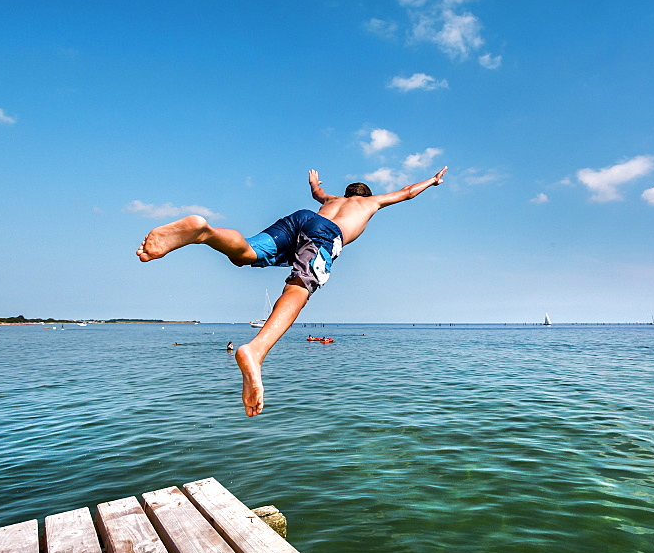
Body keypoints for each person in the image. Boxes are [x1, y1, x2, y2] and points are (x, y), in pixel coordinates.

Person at [137, 166, 447, 417]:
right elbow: (406, 193)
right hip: (325, 234)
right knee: (300, 285)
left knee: (243, 254)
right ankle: (256, 350)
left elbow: (317, 192)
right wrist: (432, 181)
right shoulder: (369, 202)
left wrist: (314, 184)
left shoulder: (329, 200)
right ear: (365, 195)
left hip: (300, 218)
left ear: (344, 193)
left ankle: (206, 232)